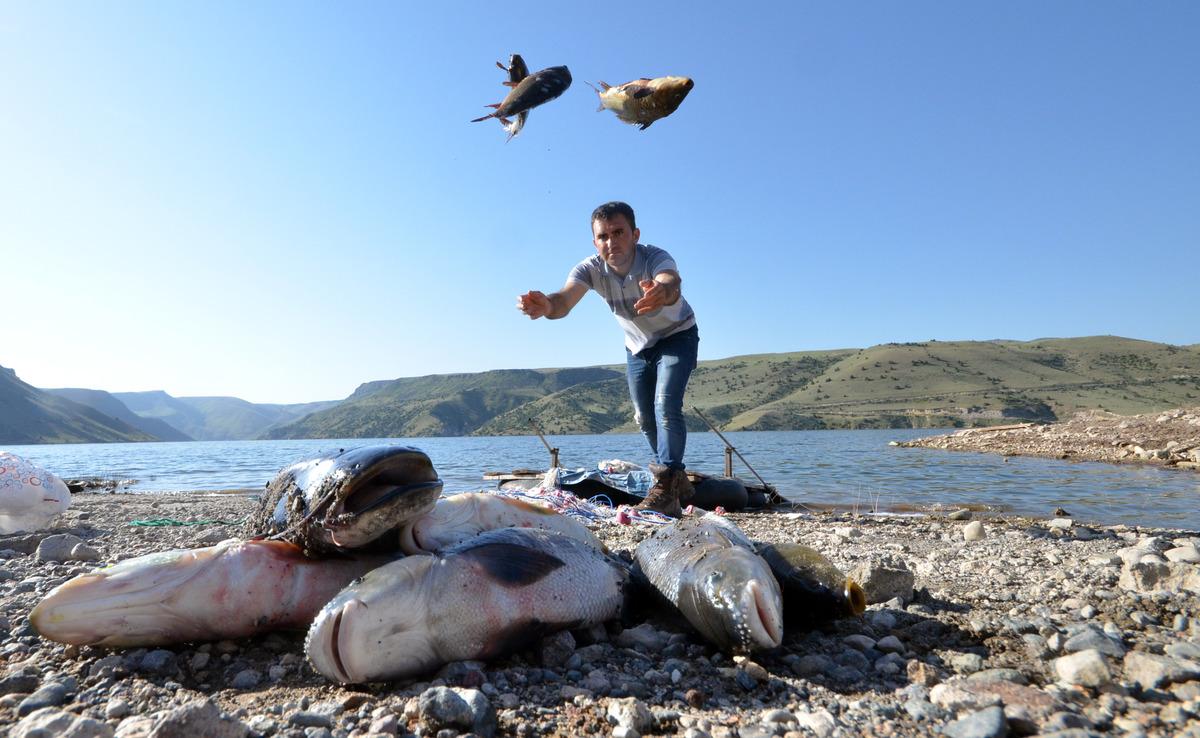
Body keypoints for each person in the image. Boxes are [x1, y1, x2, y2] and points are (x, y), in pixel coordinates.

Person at [517, 201, 699, 517]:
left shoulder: (654, 257)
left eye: (618, 233)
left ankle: (666, 484)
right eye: (603, 236)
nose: (611, 242)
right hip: (637, 347)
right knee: (643, 417)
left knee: (666, 404)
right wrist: (547, 306)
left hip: (677, 336)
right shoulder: (589, 268)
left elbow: (671, 281)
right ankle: (675, 479)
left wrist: (661, 292)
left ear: (635, 234)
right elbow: (564, 300)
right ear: (594, 242)